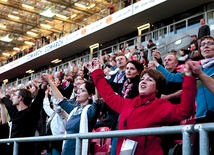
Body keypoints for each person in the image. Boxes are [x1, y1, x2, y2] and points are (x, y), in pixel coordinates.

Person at [87, 58, 197, 155]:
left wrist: (189, 78)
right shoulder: (128, 103)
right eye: (142, 79)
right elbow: (108, 94)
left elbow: (185, 111)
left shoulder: (160, 105)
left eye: (149, 80)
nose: (143, 82)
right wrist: (97, 72)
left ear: (157, 88)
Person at [42, 73, 101, 155]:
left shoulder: (90, 111)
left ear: (90, 96)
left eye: (82, 90)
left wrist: (96, 74)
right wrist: (49, 81)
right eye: (79, 90)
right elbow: (60, 100)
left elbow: (98, 100)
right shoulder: (74, 110)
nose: (78, 92)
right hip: (66, 151)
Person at [0, 74, 48, 155]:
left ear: (20, 98)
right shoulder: (14, 112)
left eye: (15, 95)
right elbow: (5, 100)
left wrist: (42, 87)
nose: (12, 97)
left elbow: (38, 100)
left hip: (27, 152)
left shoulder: (31, 113)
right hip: (13, 151)